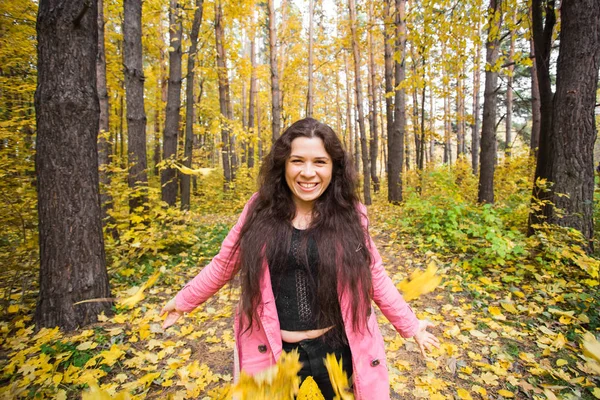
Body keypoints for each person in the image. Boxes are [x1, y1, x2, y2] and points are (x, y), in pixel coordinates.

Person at [161, 118, 439, 399]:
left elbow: (374, 275)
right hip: (275, 350)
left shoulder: (350, 214)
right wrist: (184, 301)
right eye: (297, 161)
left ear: (334, 168)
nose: (308, 172)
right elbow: (224, 264)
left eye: (320, 161)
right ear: (283, 164)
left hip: (336, 346)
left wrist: (410, 325)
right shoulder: (258, 211)